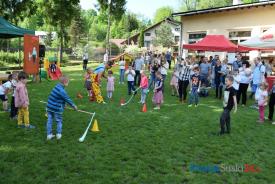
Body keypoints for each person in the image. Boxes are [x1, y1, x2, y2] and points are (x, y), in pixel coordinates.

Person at [46, 75, 77, 140]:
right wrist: (74, 106)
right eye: (68, 82)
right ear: (65, 82)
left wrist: (63, 104)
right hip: (57, 109)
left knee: (49, 120)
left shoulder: (56, 87)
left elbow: (60, 98)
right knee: (59, 121)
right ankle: (58, 134)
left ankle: (49, 135)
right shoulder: (62, 91)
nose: (68, 83)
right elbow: (67, 99)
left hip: (49, 107)